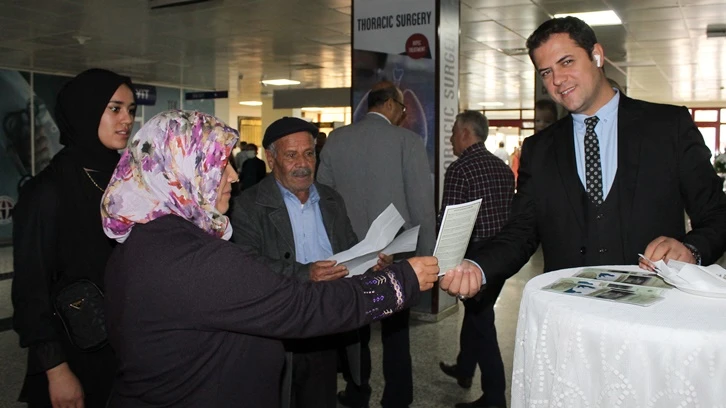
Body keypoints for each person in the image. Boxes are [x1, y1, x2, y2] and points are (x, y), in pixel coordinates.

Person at [100, 110, 479, 407]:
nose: (233, 176)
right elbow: (299, 306)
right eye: (218, 165)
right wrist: (400, 282)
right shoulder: (193, 259)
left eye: (309, 153)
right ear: (181, 172)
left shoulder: (142, 241)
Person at [454, 16, 726, 358]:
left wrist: (691, 250)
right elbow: (521, 233)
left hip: (655, 325)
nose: (557, 80)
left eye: (566, 62)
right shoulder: (539, 150)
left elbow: (717, 213)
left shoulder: (667, 127)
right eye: (546, 72)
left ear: (596, 55)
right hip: (572, 329)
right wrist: (478, 267)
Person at [231, 117, 390, 408]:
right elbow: (246, 267)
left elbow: (350, 248)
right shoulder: (248, 206)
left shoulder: (331, 199)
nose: (303, 164)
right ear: (271, 159)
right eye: (291, 155)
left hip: (325, 326)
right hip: (278, 330)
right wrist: (306, 274)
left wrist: (371, 260)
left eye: (309, 153)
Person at [11, 68, 137, 408]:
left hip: (129, 350)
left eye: (130, 109)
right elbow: (30, 291)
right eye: (115, 108)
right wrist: (56, 371)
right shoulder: (47, 191)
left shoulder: (128, 182)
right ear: (86, 110)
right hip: (75, 354)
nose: (127, 119)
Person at [317, 81, 436, 408]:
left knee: (355, 329)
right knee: (397, 331)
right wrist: (428, 261)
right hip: (394, 256)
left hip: (350, 255)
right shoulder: (408, 142)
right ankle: (397, 398)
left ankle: (357, 392)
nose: (404, 114)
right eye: (402, 108)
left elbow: (323, 199)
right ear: (390, 105)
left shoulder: (337, 140)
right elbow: (422, 208)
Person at [436, 111, 514, 408]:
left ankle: (495, 397)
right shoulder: (502, 168)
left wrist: (442, 264)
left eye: (453, 132)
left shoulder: (460, 169)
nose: (451, 138)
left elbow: (450, 222)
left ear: (466, 133)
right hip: (500, 257)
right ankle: (465, 368)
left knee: (483, 323)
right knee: (477, 312)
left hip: (473, 259)